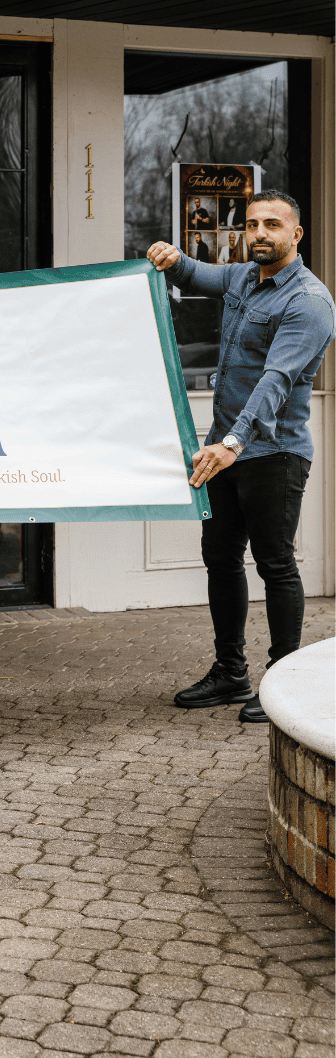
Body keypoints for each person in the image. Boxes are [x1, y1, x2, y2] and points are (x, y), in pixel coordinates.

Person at [148, 191, 334, 723]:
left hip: (273, 454)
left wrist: (234, 444)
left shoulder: (309, 302)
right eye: (252, 224)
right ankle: (230, 673)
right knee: (220, 559)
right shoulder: (239, 279)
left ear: (296, 234)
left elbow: (275, 382)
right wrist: (169, 256)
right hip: (222, 449)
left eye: (272, 224)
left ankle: (285, 684)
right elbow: (192, 274)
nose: (259, 233)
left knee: (276, 566)